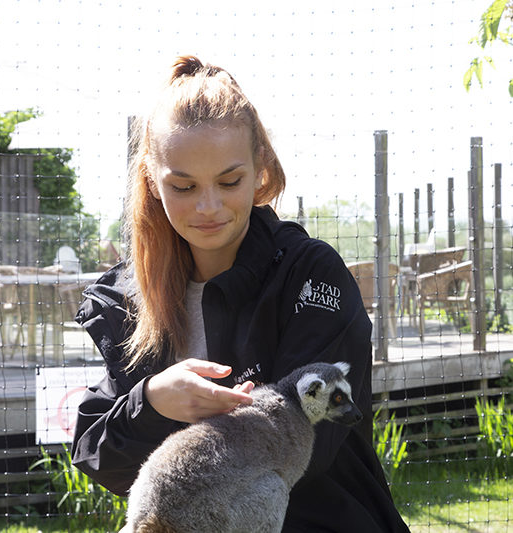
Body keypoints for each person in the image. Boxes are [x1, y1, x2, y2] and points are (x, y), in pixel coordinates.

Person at [71, 55, 409, 532]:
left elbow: (310, 445)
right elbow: (96, 453)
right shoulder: (130, 301)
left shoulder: (310, 275)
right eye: (183, 186)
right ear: (151, 179)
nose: (208, 207)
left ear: (259, 172)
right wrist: (153, 400)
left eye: (229, 181)